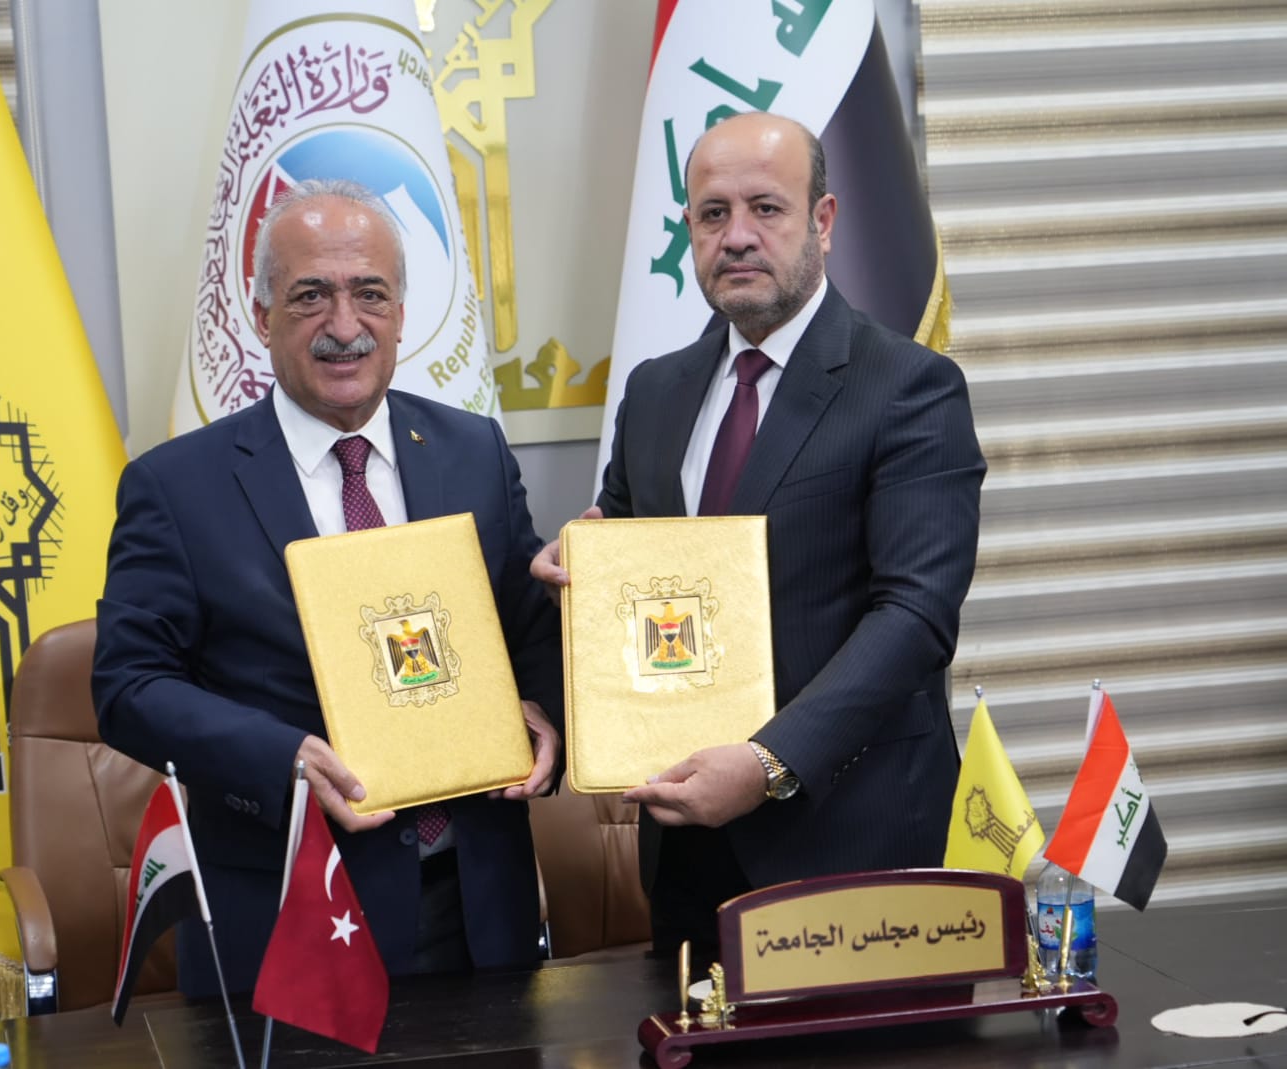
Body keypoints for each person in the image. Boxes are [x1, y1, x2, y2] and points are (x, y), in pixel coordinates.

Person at [532, 112, 986, 961]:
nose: (736, 236)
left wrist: (768, 761)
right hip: (687, 853)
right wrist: (582, 560)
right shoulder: (655, 391)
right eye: (713, 213)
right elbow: (625, 553)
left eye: (765, 209)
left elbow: (916, 616)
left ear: (823, 220)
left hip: (853, 850)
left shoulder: (909, 387)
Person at [94, 179, 563, 993]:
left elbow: (526, 631)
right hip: (286, 913)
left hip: (476, 909)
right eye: (311, 295)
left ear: (402, 313)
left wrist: (547, 713)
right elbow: (128, 686)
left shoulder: (474, 451)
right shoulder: (176, 486)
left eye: (369, 294)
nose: (345, 325)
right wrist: (281, 757)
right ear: (262, 314)